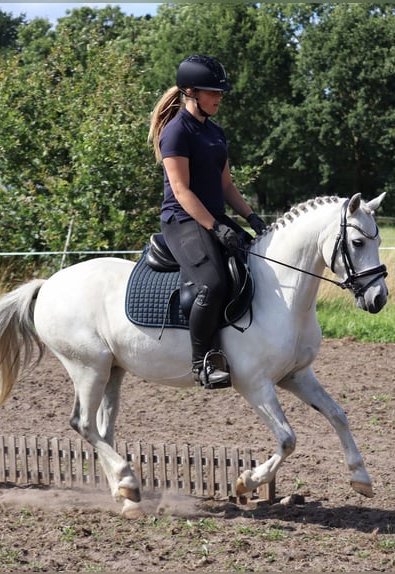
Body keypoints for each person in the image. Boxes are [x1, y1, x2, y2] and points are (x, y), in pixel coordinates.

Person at [147, 54, 268, 389]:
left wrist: (251, 218)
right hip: (182, 220)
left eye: (220, 92)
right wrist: (217, 228)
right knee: (212, 284)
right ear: (191, 92)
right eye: (213, 92)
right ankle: (202, 362)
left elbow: (226, 185)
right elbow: (182, 192)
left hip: (213, 216)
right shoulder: (175, 133)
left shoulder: (216, 132)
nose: (219, 97)